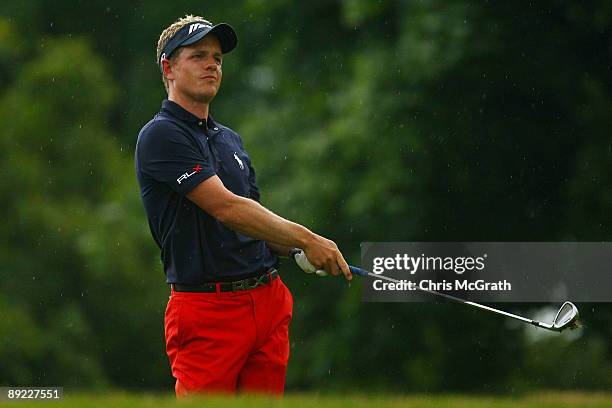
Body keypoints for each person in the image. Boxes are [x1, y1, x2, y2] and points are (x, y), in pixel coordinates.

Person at [134, 15, 352, 397]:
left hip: (267, 302)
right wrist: (307, 237)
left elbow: (252, 224)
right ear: (168, 68)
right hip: (207, 310)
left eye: (217, 58)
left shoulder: (229, 140)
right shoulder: (161, 135)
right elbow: (227, 209)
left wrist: (300, 249)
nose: (212, 65)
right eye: (198, 56)